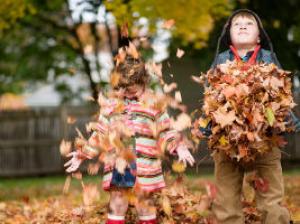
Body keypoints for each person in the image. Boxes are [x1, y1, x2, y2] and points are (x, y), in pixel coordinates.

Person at [65, 50, 195, 224]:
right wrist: (83, 153)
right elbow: (100, 134)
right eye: (122, 88)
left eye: (131, 87)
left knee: (145, 204)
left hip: (146, 165)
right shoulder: (111, 106)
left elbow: (165, 131)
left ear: (143, 82)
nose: (126, 92)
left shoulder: (154, 104)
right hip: (118, 165)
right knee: (118, 201)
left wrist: (178, 146)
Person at [201, 9, 300, 224]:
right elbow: (211, 96)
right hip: (228, 140)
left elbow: (281, 95)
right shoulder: (221, 60)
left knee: (271, 197)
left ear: (258, 36)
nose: (243, 26)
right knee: (226, 198)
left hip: (264, 138)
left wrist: (289, 119)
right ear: (229, 35)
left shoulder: (268, 58)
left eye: (249, 23)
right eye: (237, 24)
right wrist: (207, 124)